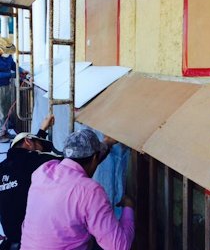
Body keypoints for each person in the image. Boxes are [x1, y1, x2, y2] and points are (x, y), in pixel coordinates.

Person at [21, 129, 135, 250]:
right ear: (95, 158)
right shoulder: (90, 191)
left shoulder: (43, 172)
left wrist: (107, 143)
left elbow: (80, 162)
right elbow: (119, 246)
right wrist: (129, 207)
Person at [0, 115, 59, 250]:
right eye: (40, 147)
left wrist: (42, 130)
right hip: (35, 239)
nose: (42, 151)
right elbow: (73, 160)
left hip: (11, 239)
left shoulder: (2, 167)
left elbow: (28, 154)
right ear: (28, 141)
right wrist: (106, 145)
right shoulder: (34, 159)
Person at [0, 37, 29, 143]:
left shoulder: (8, 56)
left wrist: (21, 70)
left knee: (6, 110)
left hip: (6, 86)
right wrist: (11, 74)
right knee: (1, 112)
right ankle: (1, 134)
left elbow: (12, 65)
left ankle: (4, 131)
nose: (8, 54)